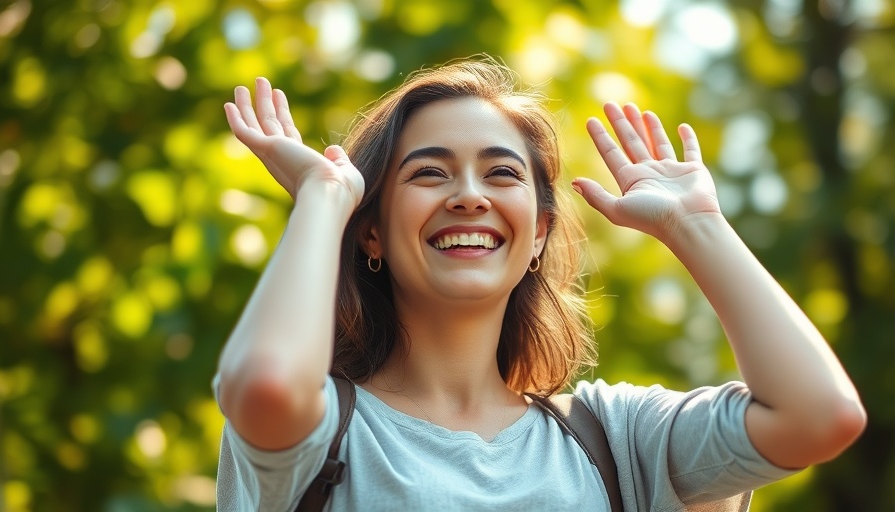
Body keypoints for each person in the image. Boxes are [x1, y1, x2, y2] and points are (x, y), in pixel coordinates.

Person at [213, 56, 866, 511]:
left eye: (501, 174)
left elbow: (821, 415)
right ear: (371, 233)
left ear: (539, 234)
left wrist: (696, 226)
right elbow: (266, 382)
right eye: (429, 174)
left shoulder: (617, 439)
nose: (470, 195)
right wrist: (324, 198)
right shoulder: (322, 430)